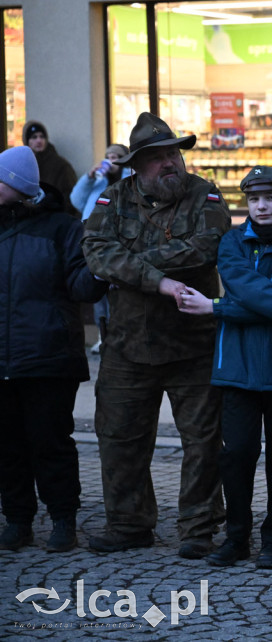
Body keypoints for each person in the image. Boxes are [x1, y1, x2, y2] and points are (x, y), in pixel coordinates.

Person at [82, 112, 231, 558]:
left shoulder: (204, 194)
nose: (169, 163)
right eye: (157, 158)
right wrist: (160, 281)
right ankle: (128, 524)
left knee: (203, 441)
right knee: (119, 437)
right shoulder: (112, 199)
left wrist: (135, 268)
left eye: (173, 154)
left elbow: (204, 248)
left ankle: (198, 528)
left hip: (193, 343)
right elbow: (96, 254)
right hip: (127, 345)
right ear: (136, 167)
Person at [176, 166, 272, 569]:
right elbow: (250, 290)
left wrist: (216, 307)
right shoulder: (231, 243)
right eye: (253, 199)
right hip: (237, 370)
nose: (261, 206)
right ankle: (236, 538)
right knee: (238, 456)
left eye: (270, 198)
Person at [0, 147, 107, 553]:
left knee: (51, 444)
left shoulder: (62, 228)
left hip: (47, 357)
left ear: (17, 185)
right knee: (7, 446)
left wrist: (99, 270)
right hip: (2, 360)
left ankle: (63, 519)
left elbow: (82, 286)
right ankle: (17, 520)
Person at [70, 143, 131, 354]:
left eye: (116, 156)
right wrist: (89, 176)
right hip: (94, 238)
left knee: (117, 287)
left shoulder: (129, 179)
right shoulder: (99, 181)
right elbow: (76, 200)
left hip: (119, 239)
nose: (111, 159)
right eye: (108, 155)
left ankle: (120, 333)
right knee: (97, 284)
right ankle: (101, 335)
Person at [23, 120, 78, 217]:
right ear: (27, 141)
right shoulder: (23, 164)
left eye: (42, 136)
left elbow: (71, 196)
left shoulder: (60, 165)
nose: (39, 140)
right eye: (34, 137)